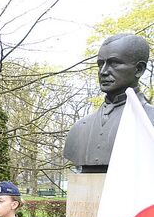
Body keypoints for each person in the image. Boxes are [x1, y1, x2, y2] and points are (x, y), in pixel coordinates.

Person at [64, 34, 154, 173]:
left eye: (114, 63)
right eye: (100, 64)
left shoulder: (150, 120)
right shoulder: (80, 128)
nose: (103, 71)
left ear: (139, 69)